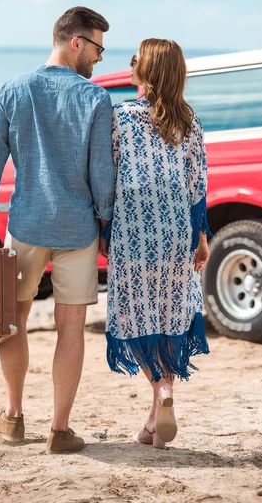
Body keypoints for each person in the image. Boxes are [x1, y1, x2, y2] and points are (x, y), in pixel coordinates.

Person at [0, 6, 115, 454]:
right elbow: (102, 174)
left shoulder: (14, 90)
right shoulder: (94, 99)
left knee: (12, 322)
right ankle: (60, 429)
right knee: (70, 328)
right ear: (76, 42)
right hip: (78, 230)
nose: (99, 58)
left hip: (27, 225)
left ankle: (13, 418)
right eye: (97, 47)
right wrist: (106, 224)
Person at [100, 38, 211, 449]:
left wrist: (103, 230)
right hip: (177, 235)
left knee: (132, 318)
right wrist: (201, 239)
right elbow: (197, 186)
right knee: (168, 318)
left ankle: (161, 385)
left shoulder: (122, 118)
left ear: (148, 72)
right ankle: (154, 422)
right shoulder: (190, 122)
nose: (131, 64)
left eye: (137, 60)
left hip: (134, 234)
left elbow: (107, 180)